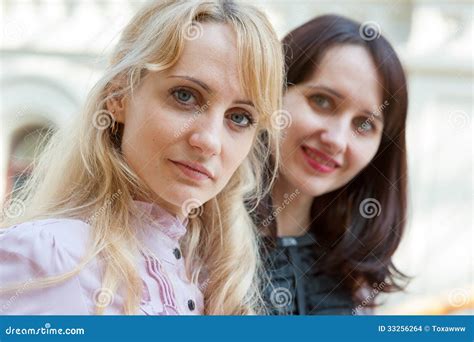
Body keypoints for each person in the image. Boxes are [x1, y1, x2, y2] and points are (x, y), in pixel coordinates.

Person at [0, 0, 284, 315]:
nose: (209, 141)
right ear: (118, 98)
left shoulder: (212, 277)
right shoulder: (45, 258)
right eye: (185, 96)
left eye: (240, 117)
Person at [257, 14, 409, 315]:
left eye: (364, 124)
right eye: (322, 101)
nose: (337, 140)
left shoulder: (354, 276)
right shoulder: (189, 241)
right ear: (271, 92)